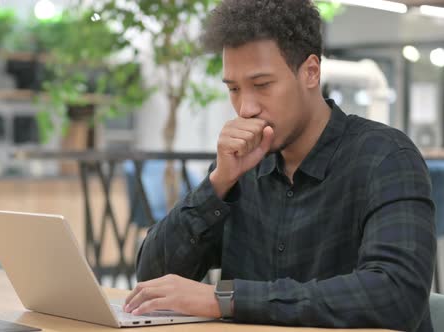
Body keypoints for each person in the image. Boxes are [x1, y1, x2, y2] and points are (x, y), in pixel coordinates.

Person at [123, 1, 436, 331]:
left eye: (262, 85)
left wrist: (225, 299)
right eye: (233, 88)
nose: (245, 108)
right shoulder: (238, 168)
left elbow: (396, 294)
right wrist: (217, 184)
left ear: (311, 72)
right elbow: (152, 280)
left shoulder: (386, 157)